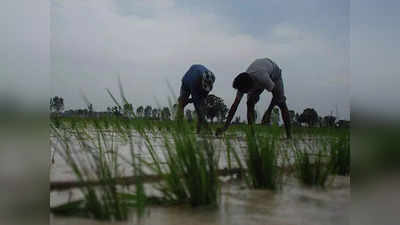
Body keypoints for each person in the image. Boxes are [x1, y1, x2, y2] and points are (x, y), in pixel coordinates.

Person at [216, 57, 291, 138]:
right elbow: (235, 105)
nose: (243, 93)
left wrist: (268, 112)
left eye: (245, 92)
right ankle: (252, 134)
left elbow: (276, 95)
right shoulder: (243, 83)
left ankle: (289, 135)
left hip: (274, 74)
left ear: (250, 87)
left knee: (282, 102)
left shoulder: (262, 78)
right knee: (249, 103)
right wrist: (225, 127)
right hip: (259, 72)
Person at [177, 64, 215, 133]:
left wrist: (190, 101)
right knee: (181, 105)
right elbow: (196, 102)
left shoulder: (212, 78)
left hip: (197, 77)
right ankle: (179, 129)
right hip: (187, 83)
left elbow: (204, 95)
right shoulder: (194, 82)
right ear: (201, 82)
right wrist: (185, 100)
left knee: (202, 109)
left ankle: (199, 131)